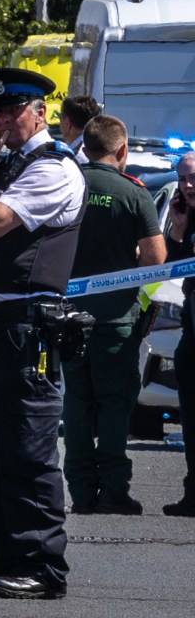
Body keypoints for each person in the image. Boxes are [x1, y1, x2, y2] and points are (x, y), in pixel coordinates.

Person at [0, 67, 85, 600]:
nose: (4, 120)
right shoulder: (12, 165)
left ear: (40, 112)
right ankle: (9, 557)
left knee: (27, 450)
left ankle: (41, 565)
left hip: (26, 326)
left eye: (15, 110)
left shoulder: (53, 168)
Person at [62, 114, 166, 515]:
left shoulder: (67, 184)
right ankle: (114, 490)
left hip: (67, 317)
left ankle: (82, 491)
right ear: (121, 150)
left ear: (85, 146)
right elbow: (155, 260)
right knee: (112, 404)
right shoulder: (133, 193)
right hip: (116, 319)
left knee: (76, 403)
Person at [163, 152, 195, 517]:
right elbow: (170, 265)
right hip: (191, 317)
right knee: (190, 411)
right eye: (183, 178)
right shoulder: (183, 214)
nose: (188, 185)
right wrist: (178, 229)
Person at [59, 96, 101, 164]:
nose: (59, 123)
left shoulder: (79, 157)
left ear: (67, 122)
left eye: (60, 118)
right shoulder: (92, 144)